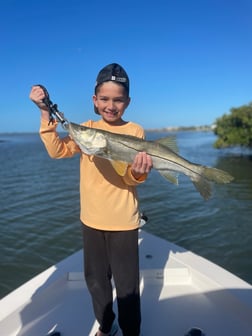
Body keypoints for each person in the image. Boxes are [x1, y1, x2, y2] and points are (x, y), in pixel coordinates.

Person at [29, 63, 153, 336]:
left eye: (118, 99)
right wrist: (43, 112)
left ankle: (131, 331)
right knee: (97, 282)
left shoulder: (135, 132)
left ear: (128, 102)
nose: (111, 105)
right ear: (95, 101)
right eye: (105, 99)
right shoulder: (85, 129)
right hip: (91, 220)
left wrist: (138, 173)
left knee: (128, 287)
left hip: (124, 221)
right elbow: (58, 151)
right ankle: (106, 326)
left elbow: (130, 180)